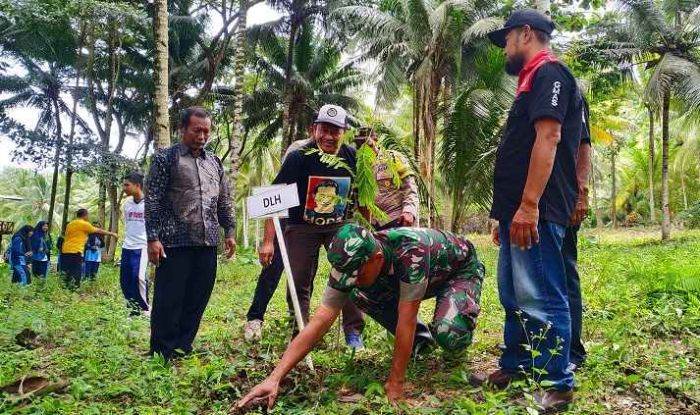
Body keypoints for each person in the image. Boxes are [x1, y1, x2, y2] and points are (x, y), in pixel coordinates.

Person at [470, 9, 586, 411]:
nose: (504, 47)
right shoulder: (531, 79)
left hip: (537, 209)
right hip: (516, 211)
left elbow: (550, 137)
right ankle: (516, 364)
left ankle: (558, 382)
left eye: (506, 39)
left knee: (543, 295)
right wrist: (506, 212)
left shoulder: (549, 73)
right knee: (514, 295)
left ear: (525, 34)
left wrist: (529, 206)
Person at [237, 224, 485, 409]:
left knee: (448, 334)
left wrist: (395, 382)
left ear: (376, 258)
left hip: (457, 271)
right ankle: (421, 342)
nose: (350, 280)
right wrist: (275, 377)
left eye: (356, 274)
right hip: (410, 280)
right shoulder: (351, 263)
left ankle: (455, 328)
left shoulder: (411, 252)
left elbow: (406, 318)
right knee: (358, 294)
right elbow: (321, 320)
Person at [257, 104, 365, 350]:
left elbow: (363, 195)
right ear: (314, 130)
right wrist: (267, 242)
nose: (329, 136)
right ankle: (301, 332)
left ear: (344, 132)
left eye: (335, 131)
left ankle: (353, 333)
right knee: (298, 279)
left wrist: (370, 230)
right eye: (324, 130)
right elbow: (273, 197)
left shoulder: (351, 156)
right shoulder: (298, 157)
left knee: (350, 272)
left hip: (339, 224)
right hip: (301, 226)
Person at [145, 106, 236, 360]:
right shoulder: (166, 159)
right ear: (182, 129)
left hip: (207, 241)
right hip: (174, 240)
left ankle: (183, 345)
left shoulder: (214, 162)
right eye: (197, 130)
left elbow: (224, 200)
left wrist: (229, 231)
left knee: (198, 295)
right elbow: (152, 201)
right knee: (169, 297)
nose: (202, 136)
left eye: (206, 131)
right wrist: (153, 238)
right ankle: (162, 350)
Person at [244, 126, 316, 342]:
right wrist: (268, 240)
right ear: (314, 129)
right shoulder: (299, 149)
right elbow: (278, 193)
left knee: (305, 276)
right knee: (272, 271)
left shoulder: (333, 155)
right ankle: (255, 318)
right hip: (286, 221)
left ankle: (298, 324)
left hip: (309, 225)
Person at [564, 96, 592, 372]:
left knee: (565, 271)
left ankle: (572, 350)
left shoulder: (568, 90)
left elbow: (584, 144)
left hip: (563, 197)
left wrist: (581, 192)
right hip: (536, 202)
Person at [353, 127, 419, 230]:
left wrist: (409, 211)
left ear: (376, 140)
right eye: (359, 144)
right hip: (373, 225)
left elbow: (410, 188)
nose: (363, 147)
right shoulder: (358, 167)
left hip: (397, 219)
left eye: (367, 143)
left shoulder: (393, 157)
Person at [61, 209, 117, 288]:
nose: (88, 217)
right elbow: (98, 230)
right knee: (76, 271)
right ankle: (74, 289)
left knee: (67, 270)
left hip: (65, 250)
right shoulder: (84, 224)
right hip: (75, 250)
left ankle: (65, 287)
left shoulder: (70, 224)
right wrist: (112, 233)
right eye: (88, 215)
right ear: (84, 215)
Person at [120, 172, 150, 316]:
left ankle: (145, 309)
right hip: (127, 246)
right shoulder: (127, 205)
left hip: (143, 246)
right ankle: (133, 309)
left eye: (127, 185)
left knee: (138, 277)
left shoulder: (150, 204)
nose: (124, 188)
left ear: (137, 185)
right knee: (125, 279)